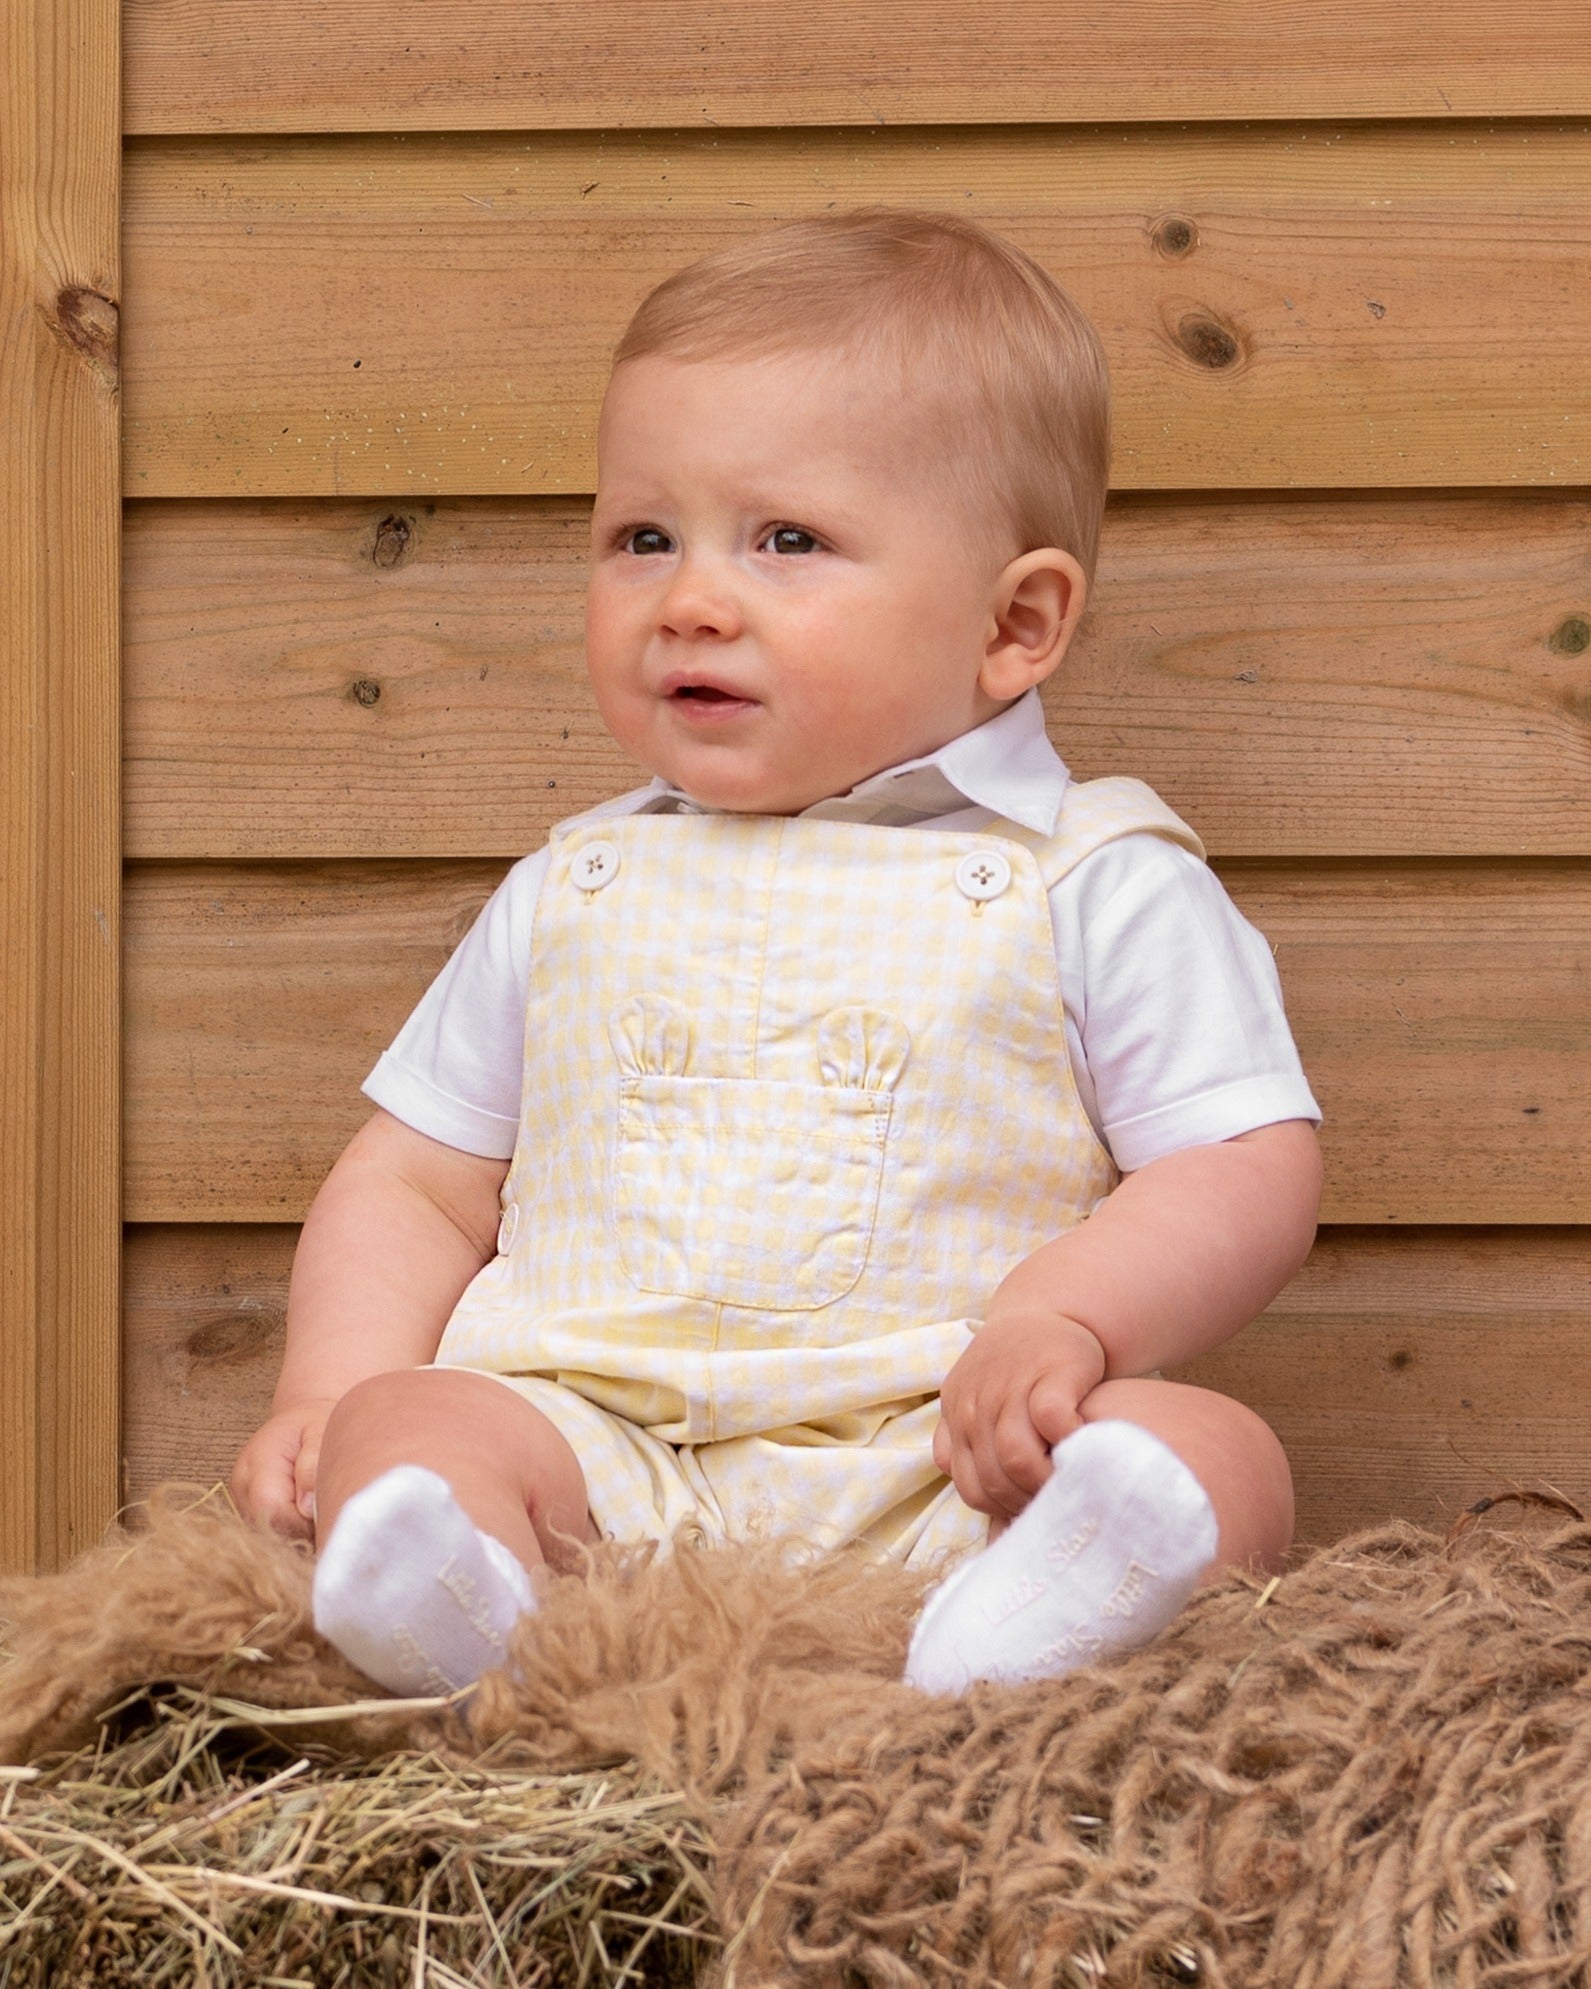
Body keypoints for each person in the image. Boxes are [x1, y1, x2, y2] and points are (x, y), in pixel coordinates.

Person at [232, 210, 1322, 1702]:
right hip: (598, 1443)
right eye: (642, 537)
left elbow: (1242, 1159)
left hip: (947, 1447)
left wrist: (1072, 1315)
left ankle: (1021, 1626)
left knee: (1217, 1457)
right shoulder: (574, 886)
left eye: (786, 540)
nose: (691, 595)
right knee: (411, 1427)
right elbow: (417, 1178)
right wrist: (331, 1387)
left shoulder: (1091, 882)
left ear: (1016, 624)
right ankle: (468, 1605)